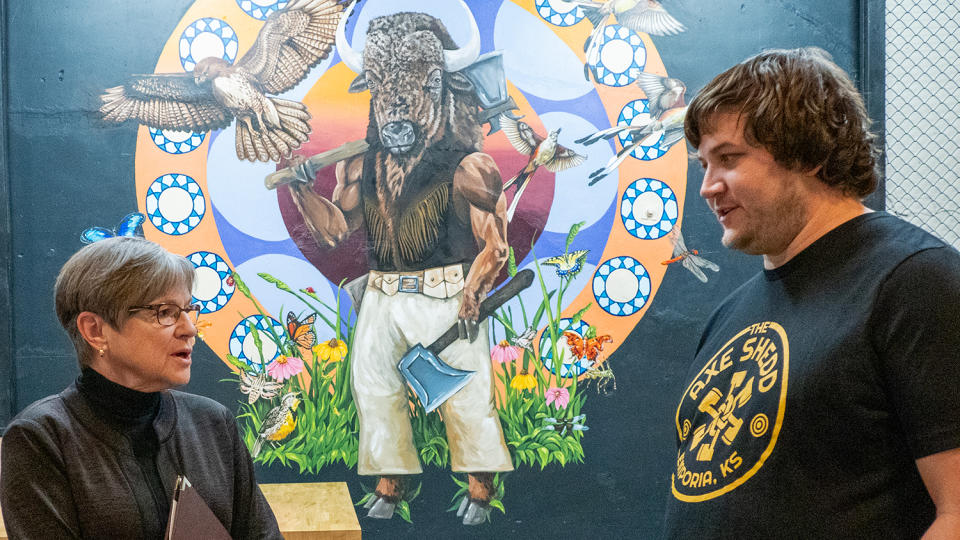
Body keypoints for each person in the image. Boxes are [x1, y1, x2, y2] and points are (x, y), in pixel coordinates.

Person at [663, 47, 960, 538]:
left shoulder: (914, 281)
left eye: (729, 159)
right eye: (703, 166)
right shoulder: (730, 314)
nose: (708, 187)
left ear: (809, 153)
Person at [0, 237, 282, 539]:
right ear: (95, 330)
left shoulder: (213, 423)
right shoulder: (41, 438)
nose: (189, 329)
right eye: (165, 312)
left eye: (189, 309)